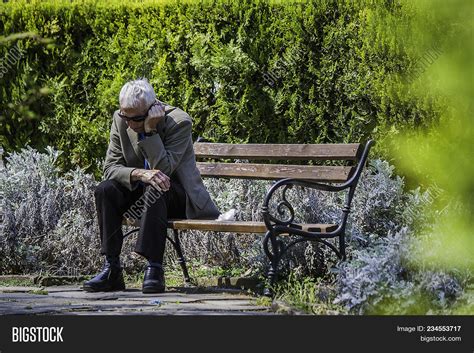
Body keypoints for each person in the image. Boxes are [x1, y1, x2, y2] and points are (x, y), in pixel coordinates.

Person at [83, 78, 220, 293]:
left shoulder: (179, 122)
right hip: (143, 190)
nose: (128, 123)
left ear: (151, 109)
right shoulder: (122, 119)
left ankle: (154, 267)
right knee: (105, 189)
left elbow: (164, 171)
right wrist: (139, 173)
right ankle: (112, 268)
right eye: (124, 116)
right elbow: (110, 168)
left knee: (157, 186)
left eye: (135, 118)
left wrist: (149, 132)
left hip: (177, 196)